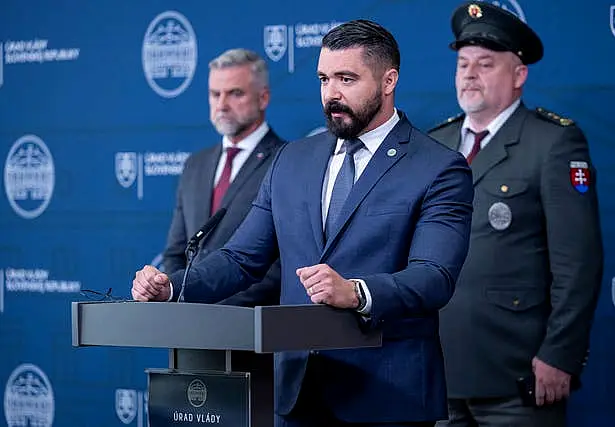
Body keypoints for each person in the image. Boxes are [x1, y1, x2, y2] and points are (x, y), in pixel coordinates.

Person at [134, 19, 474, 427]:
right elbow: (242, 259)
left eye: (347, 79)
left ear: (388, 80)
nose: (332, 93)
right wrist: (174, 286)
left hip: (387, 395)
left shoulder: (438, 168)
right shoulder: (291, 160)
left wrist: (357, 292)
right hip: (297, 393)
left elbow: (434, 277)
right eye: (324, 78)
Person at [428, 3, 604, 426]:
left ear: (519, 75)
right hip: (439, 371)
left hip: (517, 376)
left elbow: (578, 263)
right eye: (463, 64)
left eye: (485, 64)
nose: (469, 74)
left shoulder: (553, 142)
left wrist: (560, 354)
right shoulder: (437, 142)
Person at [163, 48, 285, 307]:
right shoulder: (195, 165)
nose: (222, 105)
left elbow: (281, 262)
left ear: (263, 98)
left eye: (235, 93)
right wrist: (182, 300)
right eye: (215, 94)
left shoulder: (287, 162)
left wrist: (218, 313)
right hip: (189, 327)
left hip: (251, 330)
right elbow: (176, 252)